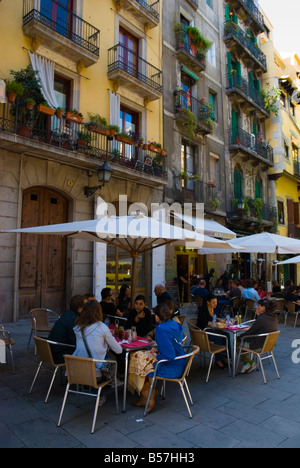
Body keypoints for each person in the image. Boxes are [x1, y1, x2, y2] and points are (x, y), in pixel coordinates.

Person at [132, 302, 186, 413]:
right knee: (141, 359)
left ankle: (146, 392)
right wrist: (159, 350)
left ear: (157, 317)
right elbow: (171, 345)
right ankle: (146, 393)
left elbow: (169, 354)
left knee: (138, 362)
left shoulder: (161, 329)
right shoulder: (175, 324)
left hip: (171, 366)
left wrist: (157, 355)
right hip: (181, 362)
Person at [73, 300, 123, 405]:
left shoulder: (77, 327)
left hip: (76, 369)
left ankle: (99, 390)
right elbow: (119, 350)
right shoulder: (102, 328)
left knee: (97, 359)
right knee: (112, 358)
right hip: (95, 373)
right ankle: (110, 384)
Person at [238, 298, 278, 374]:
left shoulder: (261, 319)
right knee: (243, 340)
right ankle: (248, 364)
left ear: (264, 307)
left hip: (258, 346)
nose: (257, 307)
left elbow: (250, 332)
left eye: (259, 306)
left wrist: (239, 337)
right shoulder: (274, 318)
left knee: (238, 343)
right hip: (268, 346)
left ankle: (249, 362)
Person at [48, 295, 86, 364]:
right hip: (59, 354)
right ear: (80, 308)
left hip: (52, 351)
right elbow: (75, 340)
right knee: (86, 352)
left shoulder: (68, 314)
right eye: (86, 306)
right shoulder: (74, 319)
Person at [196, 294, 229, 368]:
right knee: (219, 337)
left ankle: (225, 356)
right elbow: (204, 322)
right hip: (202, 332)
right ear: (208, 302)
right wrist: (216, 323)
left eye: (216, 302)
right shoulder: (202, 309)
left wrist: (219, 320)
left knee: (226, 335)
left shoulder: (212, 309)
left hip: (211, 329)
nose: (215, 304)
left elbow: (213, 318)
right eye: (213, 302)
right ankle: (218, 360)